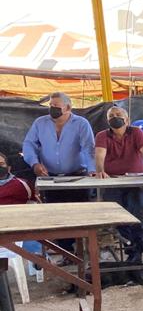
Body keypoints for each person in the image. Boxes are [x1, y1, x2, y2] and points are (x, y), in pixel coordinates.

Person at [21, 92, 95, 252]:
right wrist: (34, 163)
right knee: (57, 216)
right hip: (50, 178)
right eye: (50, 105)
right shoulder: (40, 123)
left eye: (56, 106)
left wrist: (93, 170)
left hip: (77, 176)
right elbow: (28, 144)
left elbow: (89, 147)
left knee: (81, 215)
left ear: (68, 107)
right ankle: (66, 253)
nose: (52, 109)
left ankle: (84, 252)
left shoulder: (81, 123)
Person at [93, 106, 143, 264]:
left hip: (133, 181)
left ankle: (138, 249)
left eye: (118, 114)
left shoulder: (136, 132)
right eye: (111, 116)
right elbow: (99, 155)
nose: (115, 117)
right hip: (112, 182)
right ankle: (130, 247)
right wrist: (100, 171)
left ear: (127, 119)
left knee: (136, 214)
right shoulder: (102, 135)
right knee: (117, 217)